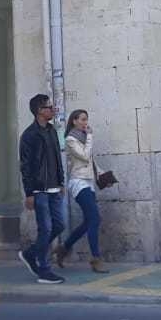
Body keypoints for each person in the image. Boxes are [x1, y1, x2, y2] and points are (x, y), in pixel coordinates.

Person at [18, 93, 67, 285]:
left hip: (54, 188)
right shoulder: (29, 135)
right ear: (40, 111)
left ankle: (30, 254)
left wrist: (61, 182)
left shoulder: (52, 131)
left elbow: (56, 158)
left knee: (59, 225)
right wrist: (29, 193)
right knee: (45, 229)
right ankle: (44, 270)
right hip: (39, 190)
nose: (53, 109)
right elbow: (25, 166)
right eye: (49, 106)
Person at [57, 109, 109, 273]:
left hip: (89, 182)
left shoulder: (84, 138)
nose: (86, 123)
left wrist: (101, 175)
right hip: (78, 183)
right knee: (95, 218)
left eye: (87, 120)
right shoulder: (71, 140)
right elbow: (85, 156)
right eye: (82, 120)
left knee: (89, 221)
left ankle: (63, 248)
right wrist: (91, 137)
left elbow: (90, 161)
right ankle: (95, 258)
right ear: (74, 121)